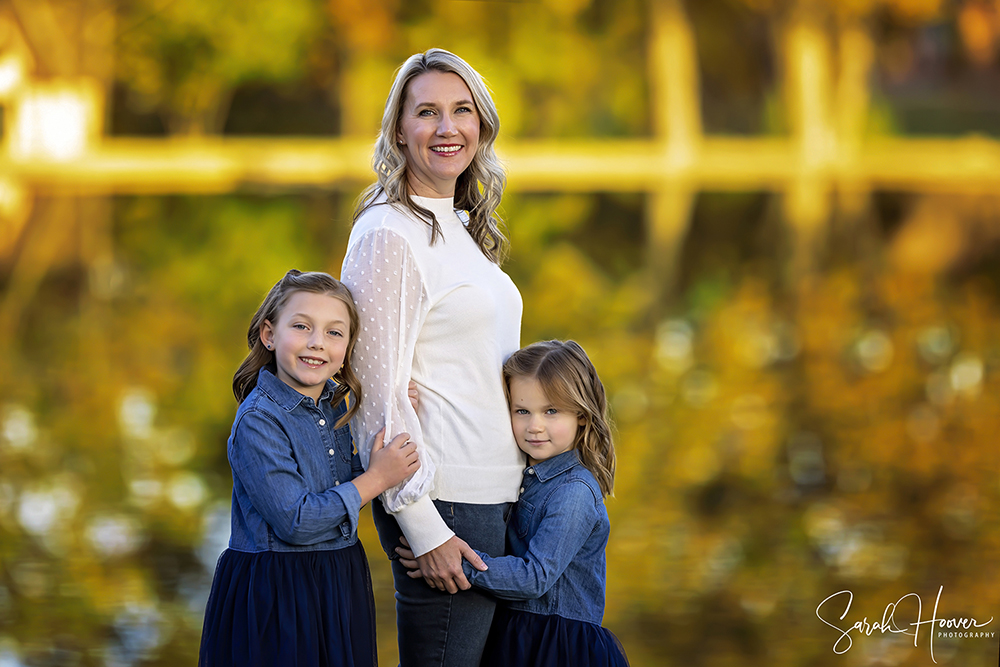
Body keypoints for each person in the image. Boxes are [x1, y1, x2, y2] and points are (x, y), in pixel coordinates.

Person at [340, 48, 523, 666]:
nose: (448, 129)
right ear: (399, 130)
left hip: (497, 498)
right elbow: (373, 394)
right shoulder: (388, 232)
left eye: (461, 111)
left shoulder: (464, 228)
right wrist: (424, 528)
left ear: (481, 124)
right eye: (427, 113)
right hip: (445, 504)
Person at [198, 269, 420, 667]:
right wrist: (378, 478)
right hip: (276, 591)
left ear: (349, 345)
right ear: (269, 334)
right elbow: (296, 520)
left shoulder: (337, 403)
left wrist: (398, 410)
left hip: (337, 577)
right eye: (301, 327)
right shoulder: (259, 421)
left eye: (335, 333)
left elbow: (349, 482)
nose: (317, 343)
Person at [399, 340, 629, 666]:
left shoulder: (574, 492)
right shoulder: (525, 470)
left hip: (555, 647)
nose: (534, 426)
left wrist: (453, 560)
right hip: (519, 634)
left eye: (551, 411)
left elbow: (534, 577)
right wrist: (411, 415)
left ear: (581, 415)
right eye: (522, 411)